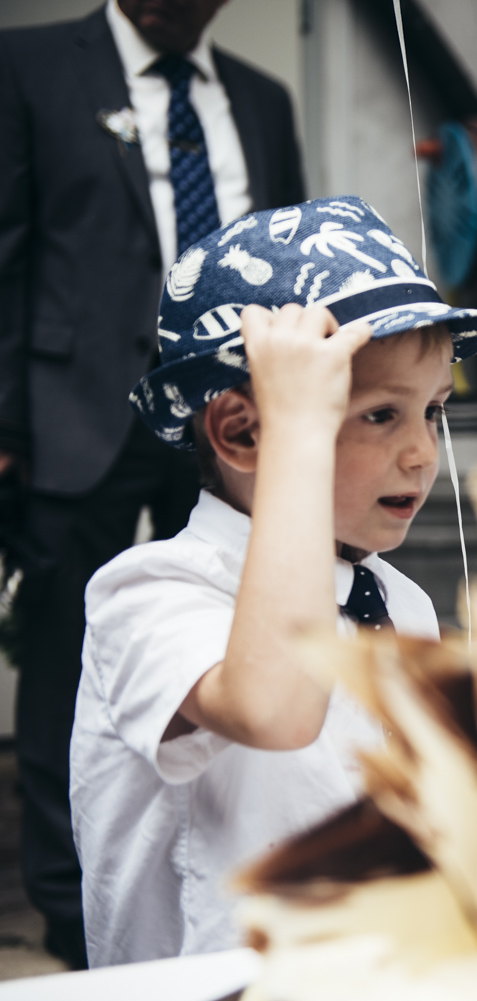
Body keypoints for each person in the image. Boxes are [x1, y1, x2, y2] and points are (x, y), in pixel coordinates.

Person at [68, 195, 477, 967]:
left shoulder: (397, 600)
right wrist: (300, 422)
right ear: (242, 431)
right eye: (378, 415)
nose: (421, 453)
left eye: (433, 411)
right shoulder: (148, 591)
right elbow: (274, 706)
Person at [0, 0, 305, 965]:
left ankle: (237, 885)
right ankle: (66, 909)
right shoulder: (30, 66)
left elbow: (296, 266)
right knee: (64, 656)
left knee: (232, 629)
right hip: (72, 412)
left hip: (227, 421)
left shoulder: (262, 98)